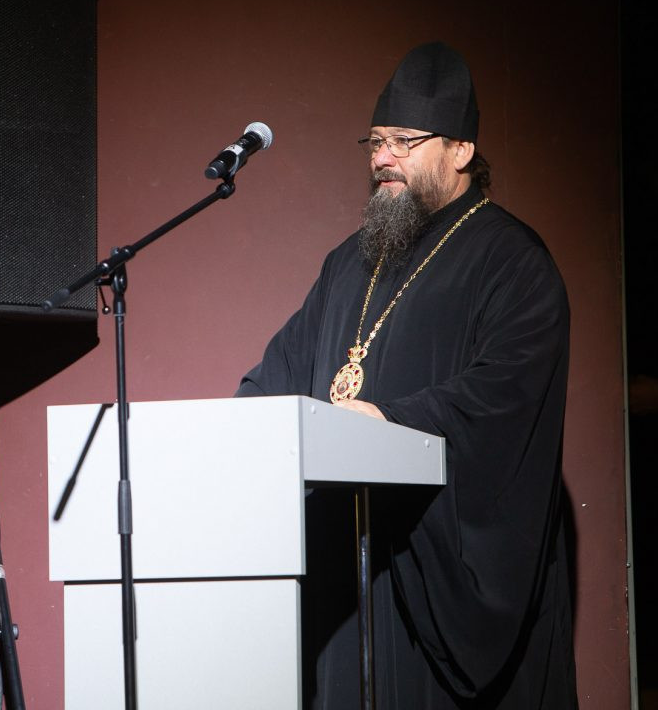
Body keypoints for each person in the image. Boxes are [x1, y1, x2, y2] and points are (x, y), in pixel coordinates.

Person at [237, 42, 576, 707]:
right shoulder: (348, 264)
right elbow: (282, 371)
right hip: (346, 571)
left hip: (434, 570)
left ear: (461, 150)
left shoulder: (512, 262)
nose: (381, 157)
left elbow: (504, 396)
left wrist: (390, 422)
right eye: (375, 141)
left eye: (403, 142)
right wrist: (243, 423)